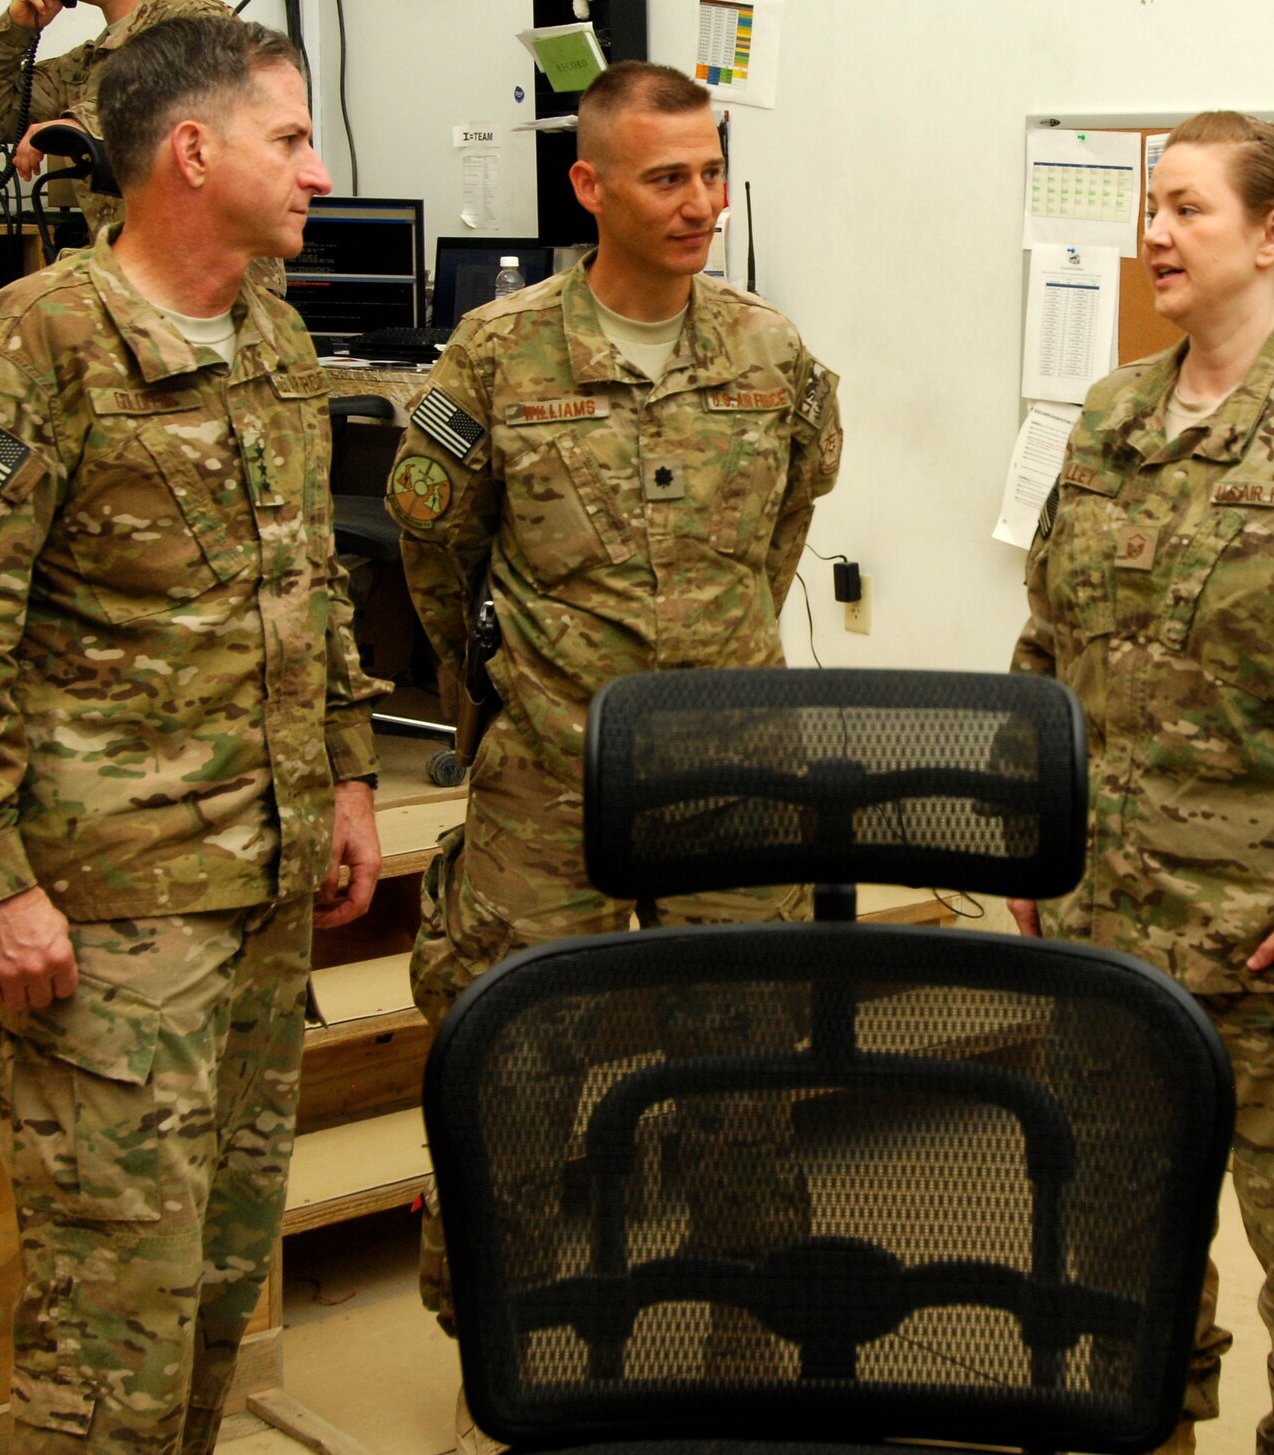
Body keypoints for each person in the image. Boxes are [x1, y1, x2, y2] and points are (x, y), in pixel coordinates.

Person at [0, 16, 385, 1454]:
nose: (320, 171)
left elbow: (306, 575)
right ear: (196, 151)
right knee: (114, 1323)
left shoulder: (269, 334)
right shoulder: (23, 351)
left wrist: (347, 769)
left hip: (260, 894)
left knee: (215, 1285)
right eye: (291, 138)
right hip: (103, 922)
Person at [384, 59, 841, 1453]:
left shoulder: (773, 356)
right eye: (666, 177)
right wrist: (501, 701)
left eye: (710, 171)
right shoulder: (493, 358)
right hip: (546, 790)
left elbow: (782, 536)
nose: (700, 202)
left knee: (747, 1097)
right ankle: (512, 1376)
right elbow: (433, 549)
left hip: (733, 784)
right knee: (511, 1088)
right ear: (591, 187)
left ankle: (743, 1369)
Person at [1009, 111, 1274, 1455]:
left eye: (1186, 208)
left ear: (1273, 235)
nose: (1153, 232)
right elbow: (1044, 644)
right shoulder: (1114, 414)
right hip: (1111, 941)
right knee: (1116, 1296)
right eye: (1151, 207)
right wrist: (1029, 839)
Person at [0, 0, 286, 293]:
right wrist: (16, 28)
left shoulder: (199, 17)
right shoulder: (89, 64)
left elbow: (186, 91)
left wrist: (81, 122)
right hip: (137, 280)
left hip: (216, 280)